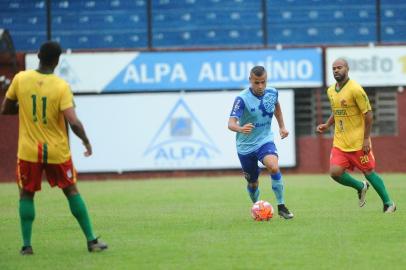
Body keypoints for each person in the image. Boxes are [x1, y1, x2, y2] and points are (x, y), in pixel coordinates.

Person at [0, 41, 108, 255]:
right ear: (57, 61)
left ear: (38, 55)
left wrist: (24, 111)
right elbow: (73, 122)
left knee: (26, 195)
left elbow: (6, 108)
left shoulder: (21, 79)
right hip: (57, 151)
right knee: (71, 191)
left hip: (29, 151)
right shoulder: (61, 87)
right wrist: (85, 141)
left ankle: (26, 245)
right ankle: (91, 241)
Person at [316, 58, 396, 213]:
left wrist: (366, 138)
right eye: (334, 68)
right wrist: (327, 125)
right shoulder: (331, 91)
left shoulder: (355, 89)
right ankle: (360, 187)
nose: (336, 71)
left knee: (369, 172)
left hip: (359, 142)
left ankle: (389, 203)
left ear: (347, 69)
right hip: (340, 142)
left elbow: (369, 114)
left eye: (339, 67)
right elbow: (336, 111)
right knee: (335, 172)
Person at [228, 65, 294, 219]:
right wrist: (240, 128)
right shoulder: (242, 99)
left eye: (263, 82)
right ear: (250, 80)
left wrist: (282, 126)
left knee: (273, 166)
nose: (260, 86)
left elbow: (276, 106)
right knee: (253, 183)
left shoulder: (272, 92)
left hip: (265, 140)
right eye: (256, 82)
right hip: (245, 146)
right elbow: (230, 123)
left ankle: (282, 206)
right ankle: (258, 207)